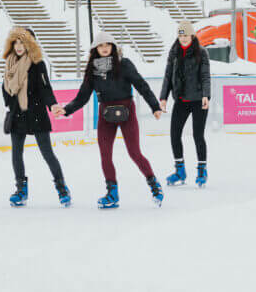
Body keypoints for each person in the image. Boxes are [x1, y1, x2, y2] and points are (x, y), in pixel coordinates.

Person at [59, 32, 165, 208]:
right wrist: (66, 110)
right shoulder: (92, 70)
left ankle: (154, 184)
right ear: (95, 49)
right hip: (105, 114)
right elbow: (82, 97)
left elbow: (141, 85)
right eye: (101, 45)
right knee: (105, 154)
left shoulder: (124, 64)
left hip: (127, 112)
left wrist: (154, 106)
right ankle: (112, 193)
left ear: (114, 47)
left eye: (108, 44)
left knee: (134, 152)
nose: (105, 48)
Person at [1, 27, 70, 208]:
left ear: (30, 43)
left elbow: (45, 87)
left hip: (37, 112)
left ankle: (62, 188)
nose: (19, 46)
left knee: (47, 152)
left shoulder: (38, 63)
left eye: (23, 41)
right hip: (17, 113)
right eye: (16, 42)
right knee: (16, 153)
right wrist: (9, 101)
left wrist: (53, 104)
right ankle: (21, 190)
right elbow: (6, 87)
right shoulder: (9, 62)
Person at [160, 20, 212, 188]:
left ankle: (202, 170)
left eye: (186, 35)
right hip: (181, 100)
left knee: (198, 135)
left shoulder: (201, 52)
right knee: (174, 134)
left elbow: (205, 76)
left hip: (198, 100)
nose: (183, 38)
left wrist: (206, 95)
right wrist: (163, 97)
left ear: (192, 35)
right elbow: (168, 76)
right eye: (180, 35)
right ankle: (180, 170)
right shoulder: (174, 52)